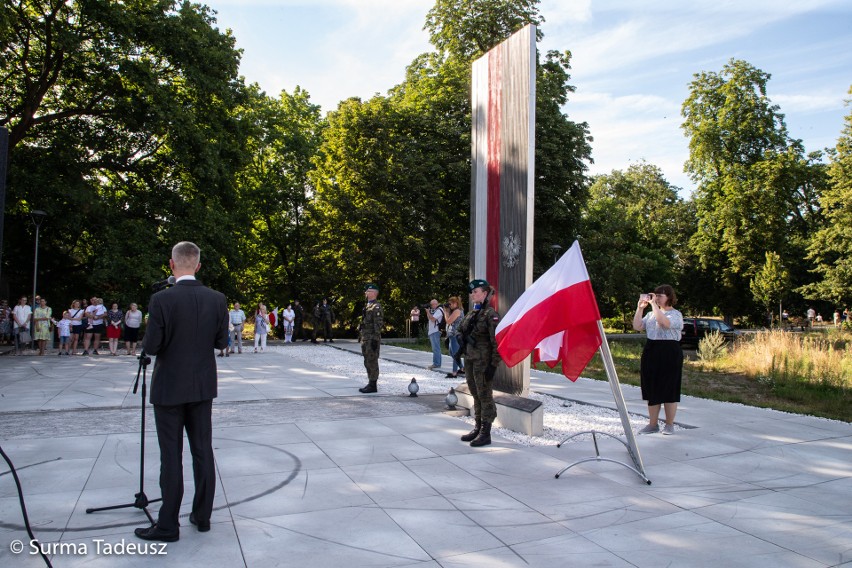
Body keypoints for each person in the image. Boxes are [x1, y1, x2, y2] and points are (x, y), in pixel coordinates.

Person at [134, 241, 228, 543]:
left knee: (171, 455)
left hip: (169, 387)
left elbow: (152, 345)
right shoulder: (218, 299)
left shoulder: (161, 300)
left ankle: (167, 525)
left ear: (171, 265)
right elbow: (220, 342)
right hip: (202, 386)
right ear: (198, 265)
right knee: (202, 452)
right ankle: (202, 517)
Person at [633, 284, 684, 436]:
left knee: (669, 387)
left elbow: (664, 323)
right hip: (652, 350)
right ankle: (652, 424)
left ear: (669, 297)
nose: (657, 298)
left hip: (669, 351)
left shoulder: (675, 314)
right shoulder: (650, 315)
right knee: (651, 387)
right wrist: (640, 308)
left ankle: (669, 424)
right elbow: (637, 326)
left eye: (660, 295)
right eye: (655, 295)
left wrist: (654, 304)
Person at [457, 280, 502, 447]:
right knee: (475, 394)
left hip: (483, 362)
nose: (472, 294)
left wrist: (493, 364)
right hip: (470, 359)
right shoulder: (471, 314)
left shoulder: (491, 314)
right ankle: (477, 427)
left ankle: (486, 432)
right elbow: (461, 330)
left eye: (476, 292)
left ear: (484, 294)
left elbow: (497, 341)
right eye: (472, 292)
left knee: (485, 396)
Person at [358, 283, 384, 393]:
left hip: (371, 339)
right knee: (367, 361)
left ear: (374, 293)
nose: (366, 293)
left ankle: (373, 385)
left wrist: (375, 339)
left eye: (368, 291)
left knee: (372, 361)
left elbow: (377, 325)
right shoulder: (368, 306)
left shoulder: (376, 307)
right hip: (365, 338)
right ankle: (370, 382)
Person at [444, 296, 465, 378]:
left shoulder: (457, 311)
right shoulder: (455, 311)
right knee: (452, 353)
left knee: (455, 353)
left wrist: (445, 312)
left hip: (455, 335)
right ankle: (462, 368)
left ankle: (454, 373)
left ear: (456, 303)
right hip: (452, 335)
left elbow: (448, 321)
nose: (450, 305)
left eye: (451, 303)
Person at [426, 299, 444, 370]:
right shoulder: (435, 310)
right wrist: (428, 312)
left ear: (437, 304)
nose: (432, 306)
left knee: (436, 348)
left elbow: (432, 319)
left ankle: (436, 364)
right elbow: (429, 318)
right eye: (431, 304)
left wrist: (428, 311)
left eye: (433, 304)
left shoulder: (439, 310)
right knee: (435, 348)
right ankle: (436, 363)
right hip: (433, 331)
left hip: (435, 331)